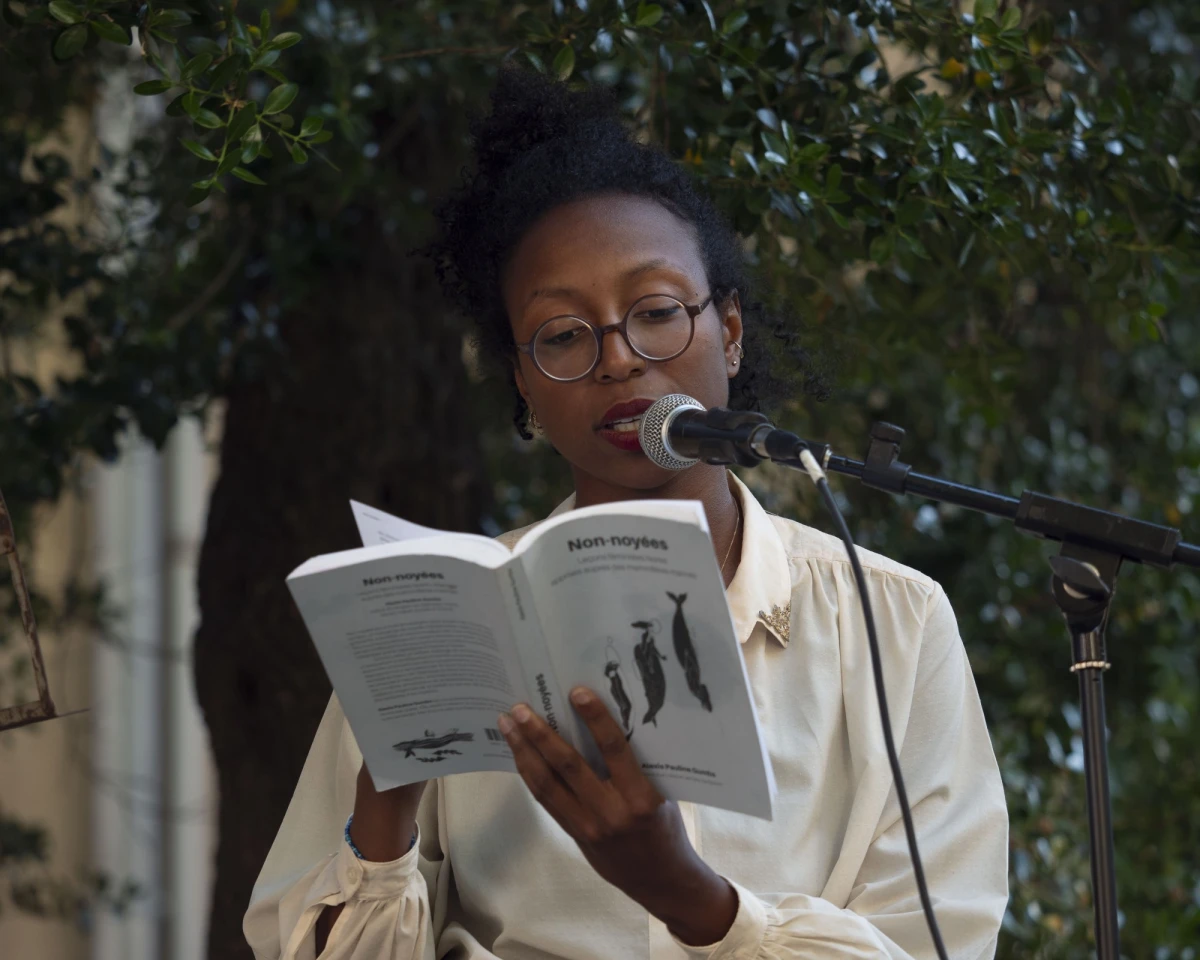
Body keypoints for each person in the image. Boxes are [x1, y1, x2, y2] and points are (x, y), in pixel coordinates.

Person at [244, 68, 1008, 960]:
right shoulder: (443, 608)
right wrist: (385, 802)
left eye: (654, 312)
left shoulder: (896, 625)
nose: (618, 360)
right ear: (524, 382)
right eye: (563, 334)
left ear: (728, 330)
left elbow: (938, 946)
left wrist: (691, 899)